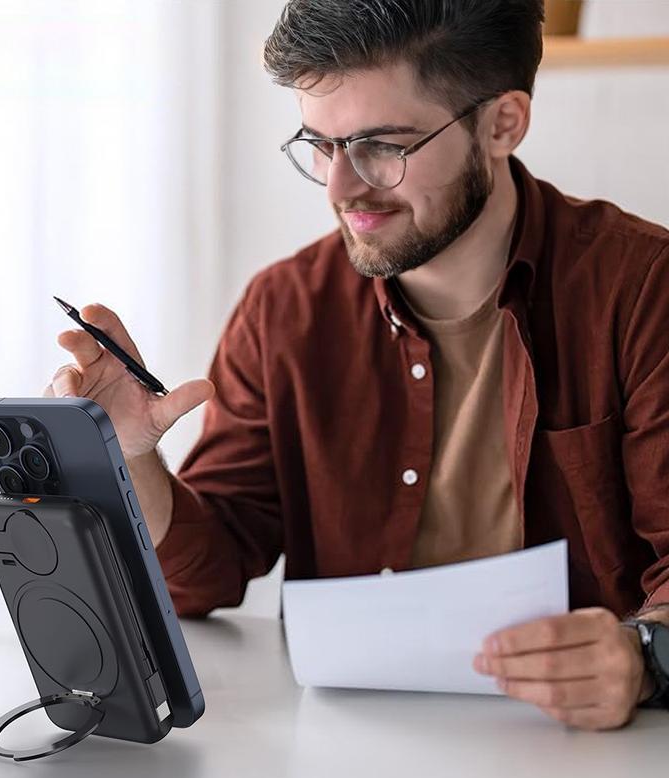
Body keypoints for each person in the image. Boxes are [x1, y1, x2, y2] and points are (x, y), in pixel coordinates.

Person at [44, 0, 669, 731]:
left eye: (381, 146)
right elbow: (208, 572)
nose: (340, 189)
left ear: (503, 123)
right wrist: (130, 461)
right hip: (345, 747)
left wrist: (643, 657)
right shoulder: (285, 309)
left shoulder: (642, 291)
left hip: (583, 753)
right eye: (320, 144)